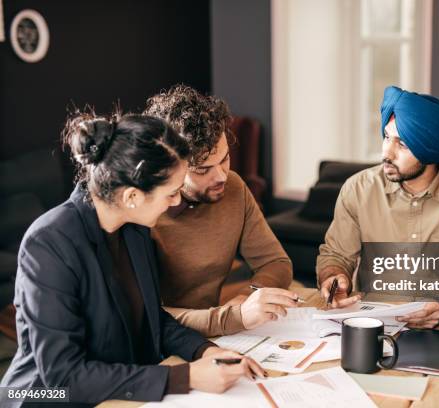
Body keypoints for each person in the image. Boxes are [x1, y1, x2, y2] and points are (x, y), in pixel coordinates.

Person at [0, 111, 263, 406]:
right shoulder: (48, 245)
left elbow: (151, 318)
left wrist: (204, 350)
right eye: (172, 193)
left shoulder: (134, 229)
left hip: (121, 394)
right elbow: (63, 377)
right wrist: (185, 377)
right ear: (132, 197)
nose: (178, 202)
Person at [317, 86, 439, 329]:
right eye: (386, 137)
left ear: (430, 150)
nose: (386, 153)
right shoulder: (358, 188)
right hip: (372, 323)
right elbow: (336, 255)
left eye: (403, 144)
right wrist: (334, 276)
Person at [144, 85, 296, 337]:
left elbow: (276, 263)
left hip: (216, 332)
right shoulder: (145, 212)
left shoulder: (234, 187)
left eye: (224, 158)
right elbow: (147, 316)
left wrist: (247, 297)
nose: (221, 176)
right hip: (161, 344)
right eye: (203, 170)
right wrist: (230, 318)